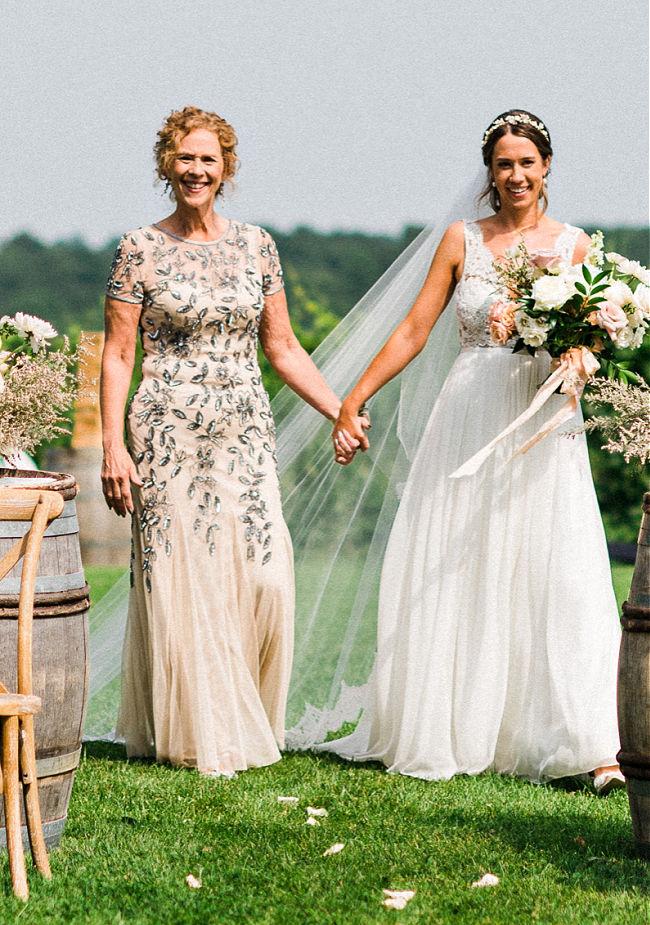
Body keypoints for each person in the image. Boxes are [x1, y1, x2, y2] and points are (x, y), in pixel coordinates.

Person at [322, 110, 624, 793]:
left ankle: (591, 740)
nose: (515, 175)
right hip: (469, 409)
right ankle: (459, 725)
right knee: (461, 560)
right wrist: (354, 395)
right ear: (489, 174)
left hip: (542, 416)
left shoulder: (575, 247)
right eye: (503, 164)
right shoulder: (464, 241)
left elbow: (600, 336)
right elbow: (413, 328)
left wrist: (582, 354)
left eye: (527, 162)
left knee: (562, 569)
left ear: (546, 166)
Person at [100, 106, 358, 777]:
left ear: (226, 168)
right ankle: (192, 733)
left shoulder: (257, 246)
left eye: (208, 159)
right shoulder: (139, 249)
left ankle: (250, 718)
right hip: (165, 431)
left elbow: (283, 345)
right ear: (167, 164)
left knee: (267, 581)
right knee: (184, 584)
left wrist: (339, 409)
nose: (196, 170)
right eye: (185, 158)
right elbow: (118, 354)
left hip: (243, 435)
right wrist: (111, 444)